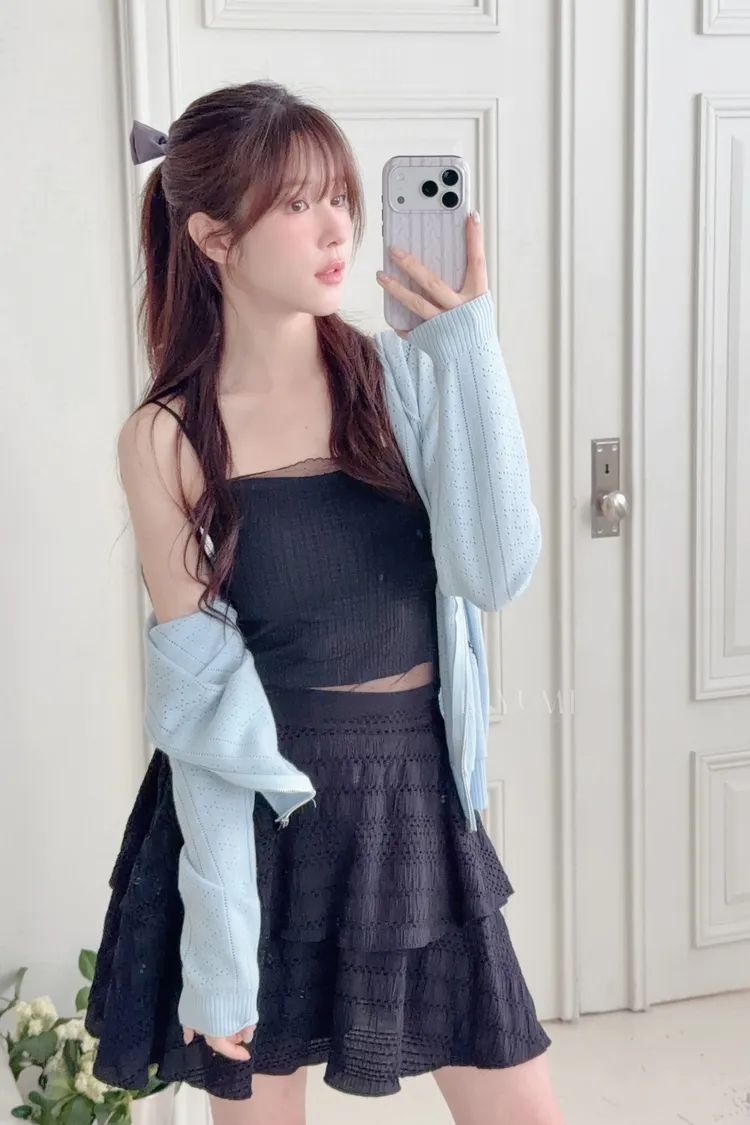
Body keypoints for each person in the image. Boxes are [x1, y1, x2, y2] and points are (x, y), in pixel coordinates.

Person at [85, 81, 565, 1125]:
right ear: (214, 237)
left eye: (340, 196)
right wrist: (220, 950)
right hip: (264, 814)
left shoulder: (402, 379)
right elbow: (203, 719)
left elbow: (497, 571)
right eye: (298, 204)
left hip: (413, 795)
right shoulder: (167, 437)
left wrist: (470, 347)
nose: (338, 228)